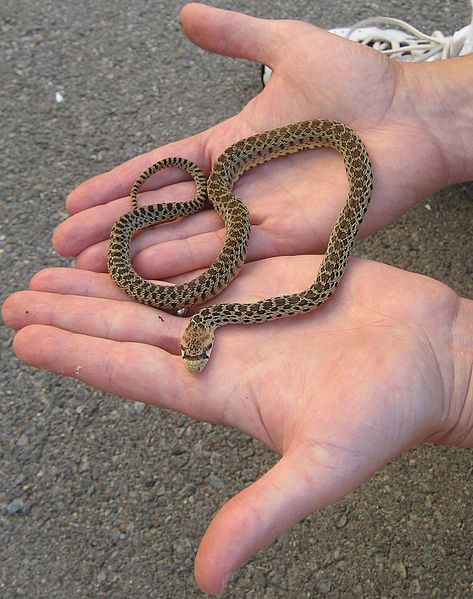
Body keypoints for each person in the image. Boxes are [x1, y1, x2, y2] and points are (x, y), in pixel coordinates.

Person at [2, 3, 472, 595]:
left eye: (193, 354)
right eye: (196, 355)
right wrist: (418, 105)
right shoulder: (213, 301)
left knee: (288, 244)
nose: (196, 361)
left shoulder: (223, 305)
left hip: (325, 158)